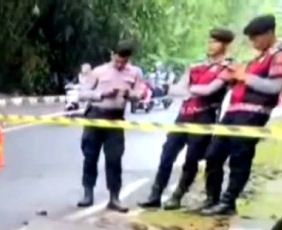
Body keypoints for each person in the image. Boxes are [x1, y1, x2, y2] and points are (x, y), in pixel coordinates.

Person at [201, 14, 282, 216]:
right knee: (213, 155)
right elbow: (244, 81)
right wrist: (234, 78)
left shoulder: (280, 56)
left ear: (269, 33)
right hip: (233, 111)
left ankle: (228, 202)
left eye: (255, 37)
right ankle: (212, 198)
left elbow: (274, 87)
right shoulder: (256, 59)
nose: (253, 42)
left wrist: (245, 77)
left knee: (239, 157)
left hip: (252, 114)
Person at [141, 28, 236, 210]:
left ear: (225, 45)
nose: (211, 45)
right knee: (167, 153)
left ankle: (177, 196)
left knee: (191, 159)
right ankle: (155, 195)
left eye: (215, 42)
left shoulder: (228, 67)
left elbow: (209, 90)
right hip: (184, 114)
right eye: (210, 41)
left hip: (205, 116)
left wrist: (188, 89)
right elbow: (176, 89)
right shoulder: (196, 66)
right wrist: (188, 89)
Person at [76, 41, 146, 211]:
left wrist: (130, 94)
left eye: (124, 61)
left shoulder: (135, 73)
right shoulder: (99, 71)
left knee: (114, 159)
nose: (120, 64)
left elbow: (140, 94)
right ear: (112, 55)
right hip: (95, 116)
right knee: (90, 157)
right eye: (118, 60)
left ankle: (114, 198)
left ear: (129, 59)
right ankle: (88, 194)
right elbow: (82, 94)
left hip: (115, 119)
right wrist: (102, 94)